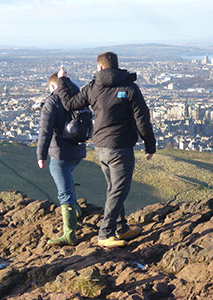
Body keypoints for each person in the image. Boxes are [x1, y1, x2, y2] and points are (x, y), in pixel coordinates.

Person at [57, 52, 156, 248]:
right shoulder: (129, 88)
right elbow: (142, 119)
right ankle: (105, 233)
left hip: (100, 147)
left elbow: (69, 103)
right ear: (117, 66)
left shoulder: (92, 88)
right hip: (120, 148)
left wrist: (62, 81)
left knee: (113, 189)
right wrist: (150, 145)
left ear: (100, 67)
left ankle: (121, 227)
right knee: (119, 190)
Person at [37, 72, 86, 246]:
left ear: (52, 86)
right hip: (79, 151)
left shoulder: (52, 102)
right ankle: (77, 210)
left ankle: (70, 233)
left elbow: (45, 132)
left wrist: (41, 156)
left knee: (64, 191)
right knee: (67, 177)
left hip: (60, 152)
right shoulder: (78, 97)